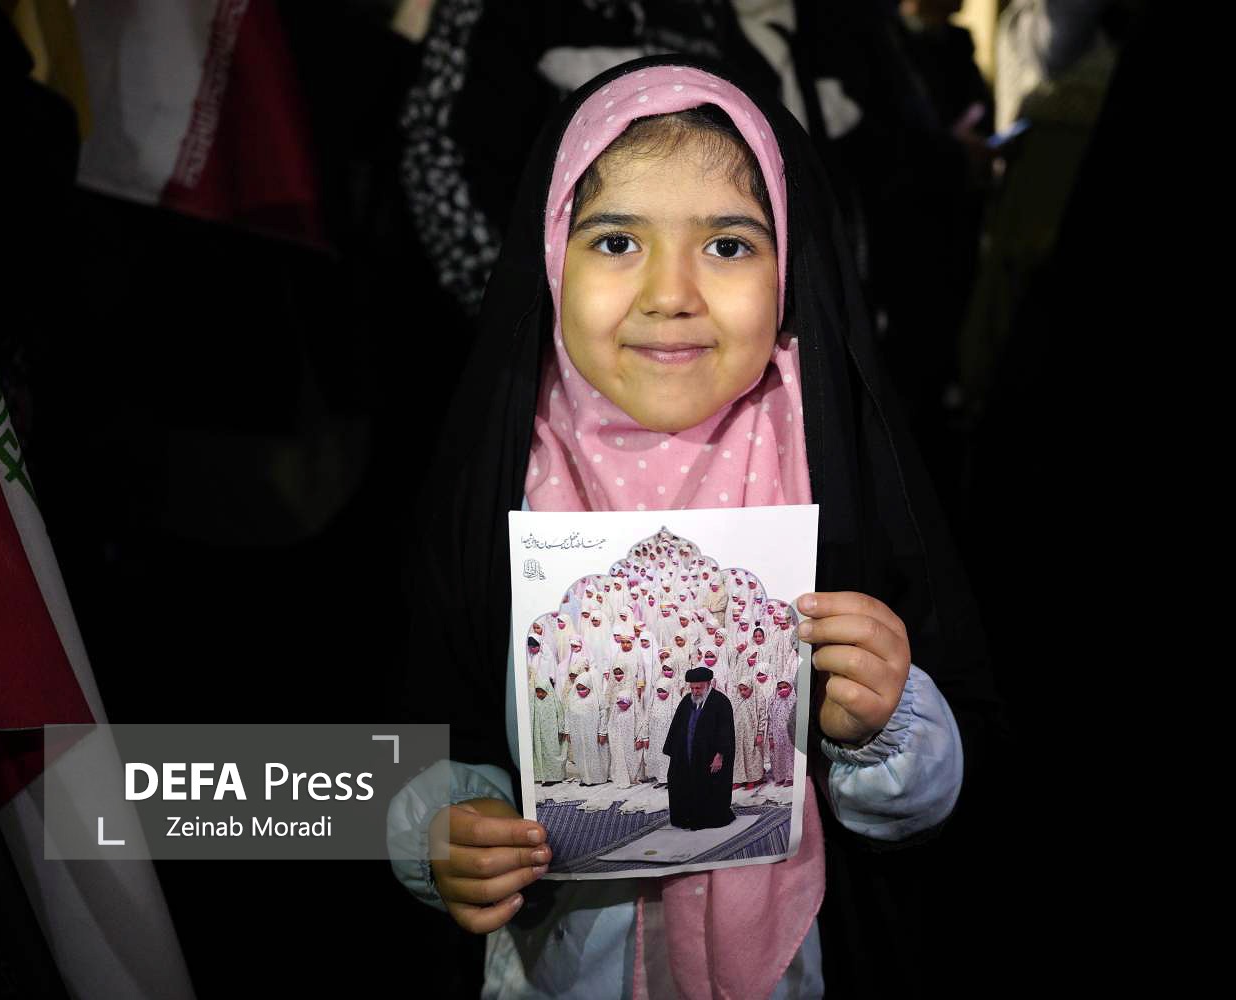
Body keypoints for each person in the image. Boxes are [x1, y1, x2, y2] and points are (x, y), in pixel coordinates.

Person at [390, 55, 1002, 997]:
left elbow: (941, 798)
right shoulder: (498, 469)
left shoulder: (842, 462)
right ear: (550, 256)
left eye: (727, 244)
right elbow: (427, 722)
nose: (670, 292)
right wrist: (446, 833)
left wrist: (887, 727)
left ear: (790, 265)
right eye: (615, 241)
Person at [662, 666, 737, 829]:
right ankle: (686, 818)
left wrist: (720, 755)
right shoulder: (686, 701)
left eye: (699, 688)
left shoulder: (721, 702)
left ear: (709, 684)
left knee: (708, 788)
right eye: (693, 688)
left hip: (709, 757)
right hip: (687, 754)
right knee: (681, 782)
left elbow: (726, 731)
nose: (695, 692)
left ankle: (706, 819)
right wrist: (674, 753)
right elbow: (676, 727)